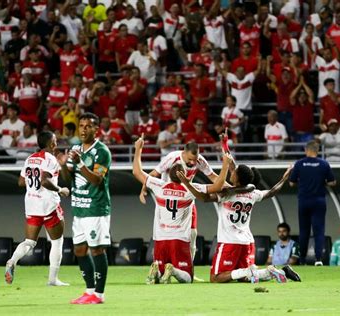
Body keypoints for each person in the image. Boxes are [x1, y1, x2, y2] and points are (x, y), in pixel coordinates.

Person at [178, 150, 298, 283]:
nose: (232, 172)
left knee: (216, 278)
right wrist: (284, 178)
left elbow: (204, 198)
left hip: (229, 242)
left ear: (238, 178)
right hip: (247, 242)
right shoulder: (253, 194)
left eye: (234, 172)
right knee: (245, 278)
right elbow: (272, 192)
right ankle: (279, 271)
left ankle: (248, 270)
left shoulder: (227, 194)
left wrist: (187, 184)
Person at [132, 134, 218, 284]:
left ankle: (181, 267)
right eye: (190, 159)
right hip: (171, 196)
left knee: (192, 234)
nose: (192, 162)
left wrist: (144, 187)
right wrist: (143, 190)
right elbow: (155, 172)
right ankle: (176, 270)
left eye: (194, 159)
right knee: (170, 232)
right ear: (183, 153)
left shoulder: (199, 160)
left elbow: (212, 176)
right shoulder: (172, 157)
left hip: (184, 198)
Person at [5, 131, 70, 286]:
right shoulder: (50, 159)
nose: (56, 142)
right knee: (57, 241)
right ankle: (53, 279)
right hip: (48, 205)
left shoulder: (30, 158)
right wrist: (61, 190)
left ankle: (12, 261)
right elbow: (45, 181)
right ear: (51, 143)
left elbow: (21, 182)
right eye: (55, 140)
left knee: (29, 241)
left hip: (31, 205)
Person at [59, 113, 111, 305]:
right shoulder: (75, 149)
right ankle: (89, 290)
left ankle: (99, 294)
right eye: (81, 126)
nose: (83, 129)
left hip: (96, 208)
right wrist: (63, 165)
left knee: (97, 250)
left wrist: (80, 163)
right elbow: (67, 178)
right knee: (80, 250)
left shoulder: (102, 152)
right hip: (78, 209)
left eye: (88, 126)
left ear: (96, 129)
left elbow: (97, 180)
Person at [289, 140, 337, 266]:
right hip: (319, 201)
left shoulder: (299, 164)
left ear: (306, 150)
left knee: (304, 231)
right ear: (318, 151)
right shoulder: (324, 164)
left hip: (304, 200)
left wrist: (303, 182)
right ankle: (318, 259)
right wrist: (322, 182)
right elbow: (333, 182)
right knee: (319, 230)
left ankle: (303, 260)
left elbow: (291, 183)